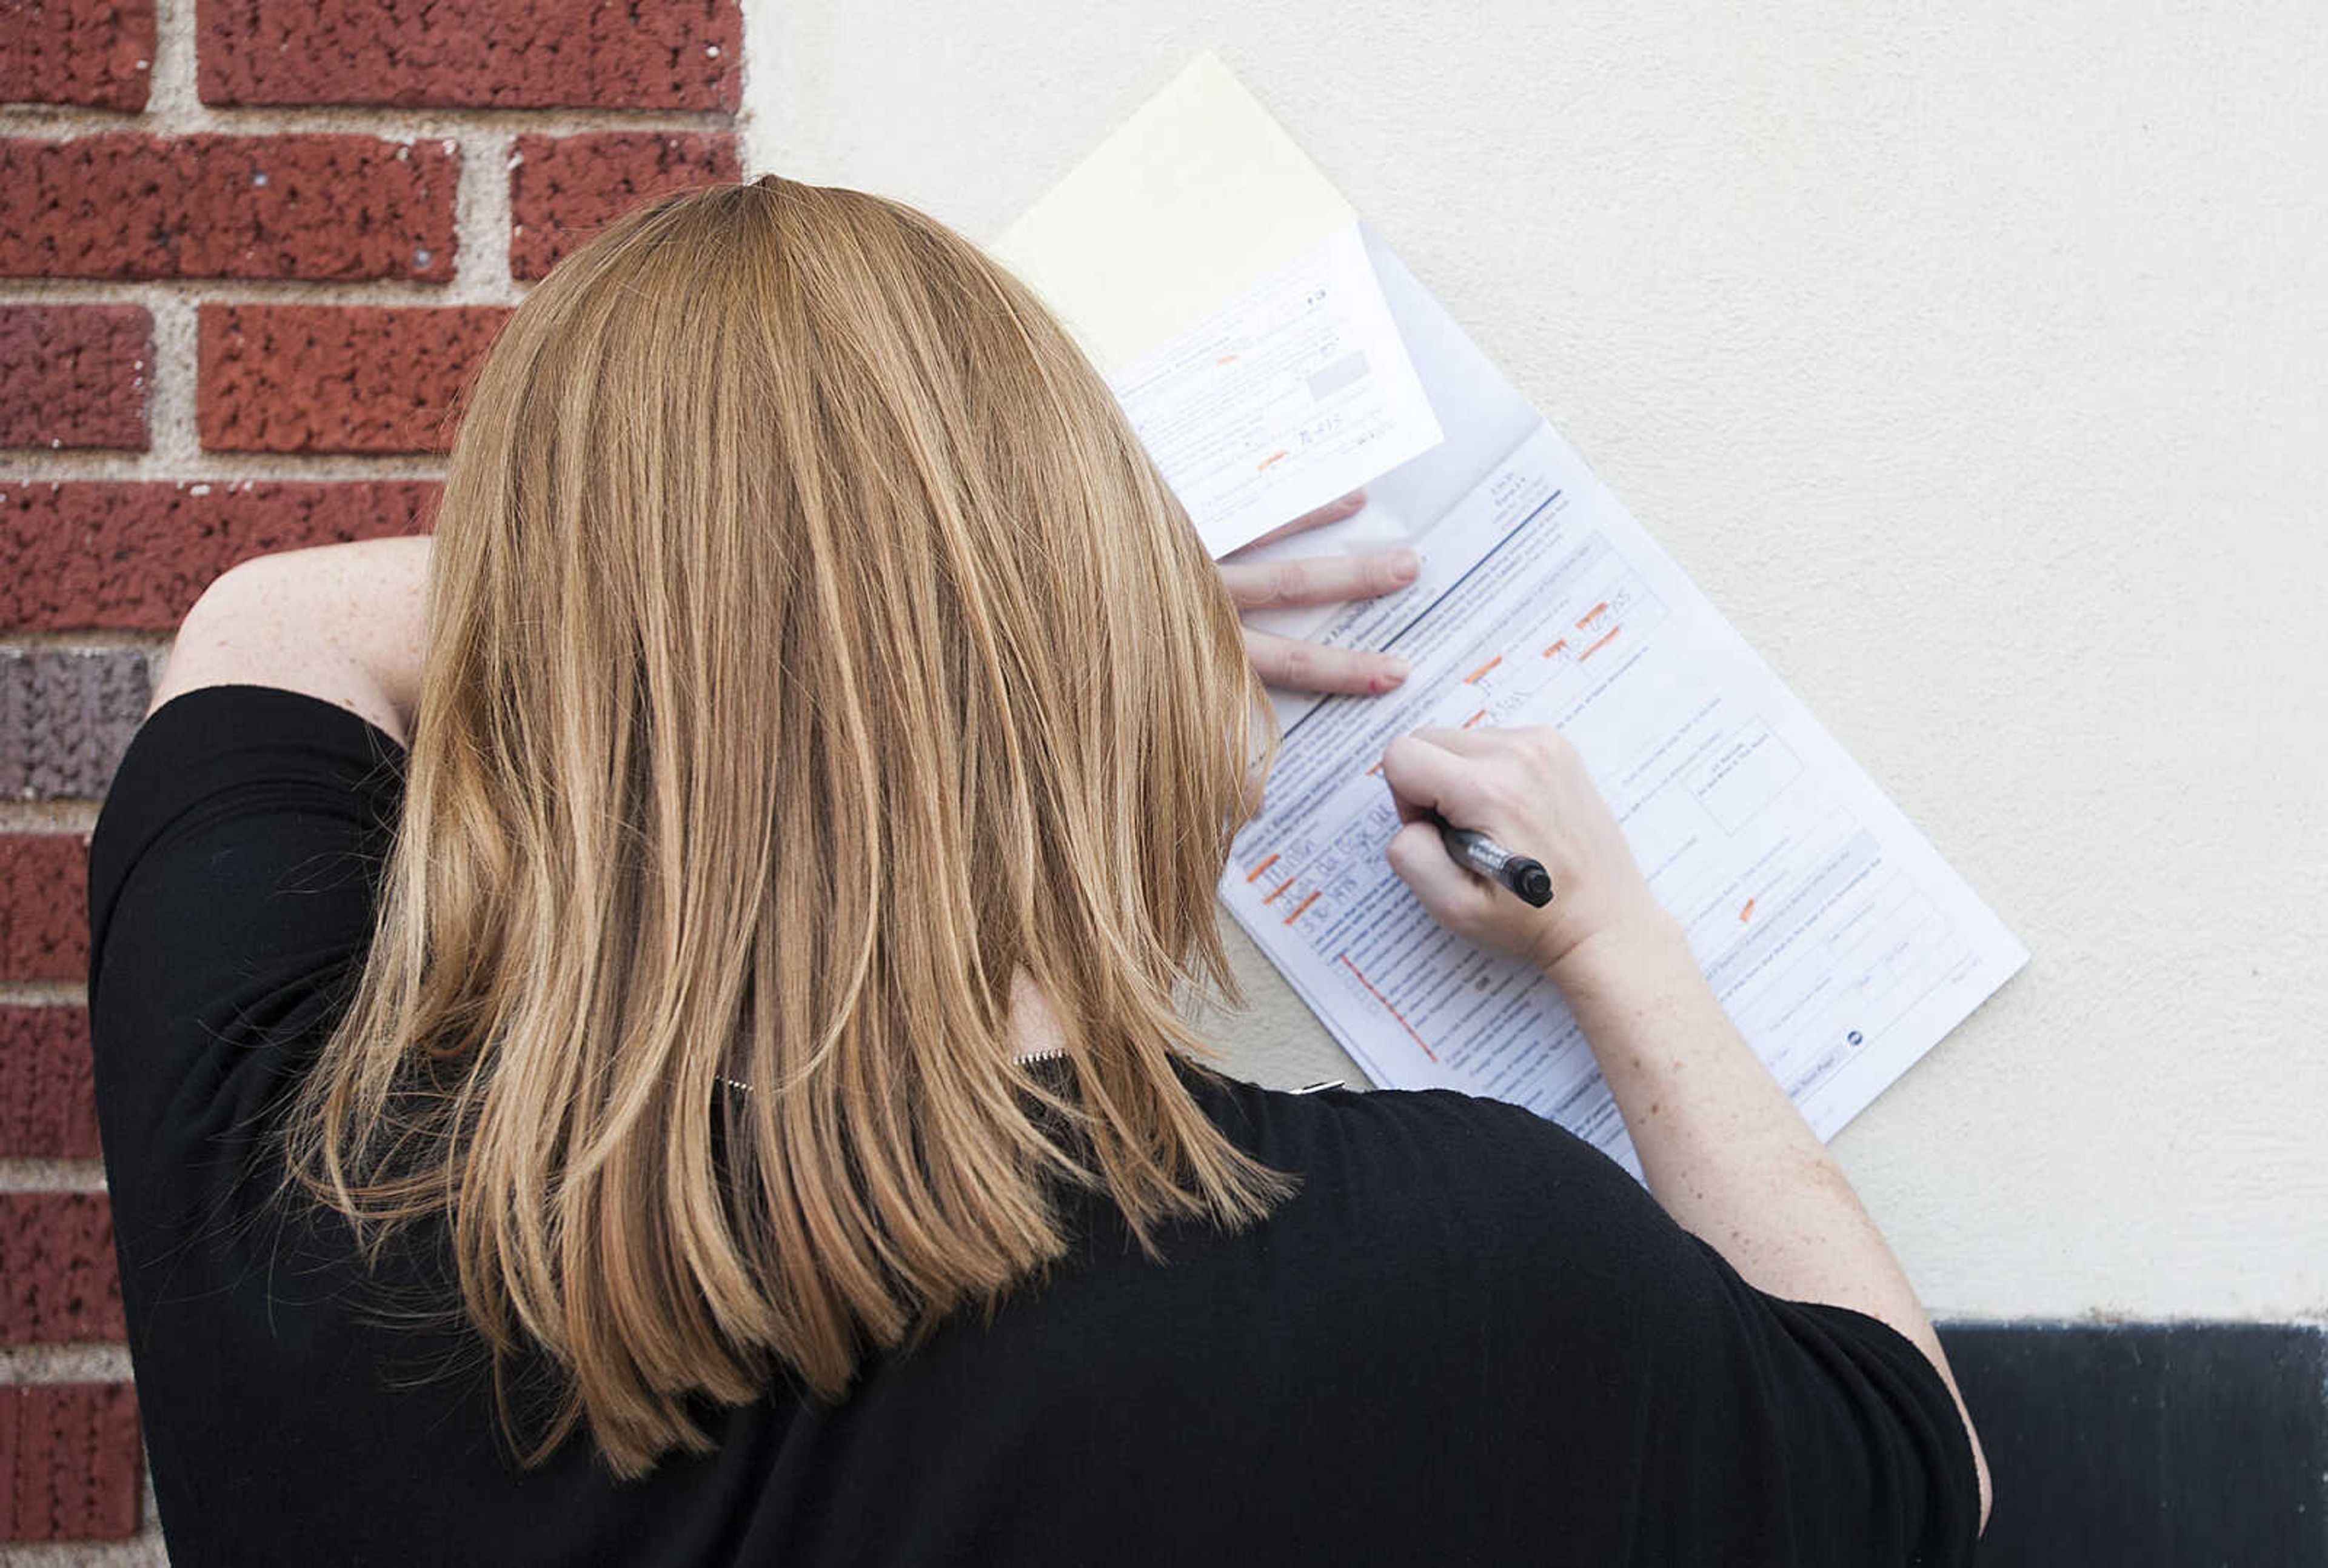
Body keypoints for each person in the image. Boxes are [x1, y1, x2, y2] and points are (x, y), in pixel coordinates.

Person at [85, 176, 1987, 1566]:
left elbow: (273, 628)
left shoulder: (312, 1229)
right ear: (1102, 643)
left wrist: (799, 579)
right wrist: (1626, 953)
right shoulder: (1454, 1267)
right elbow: (1912, 1470)